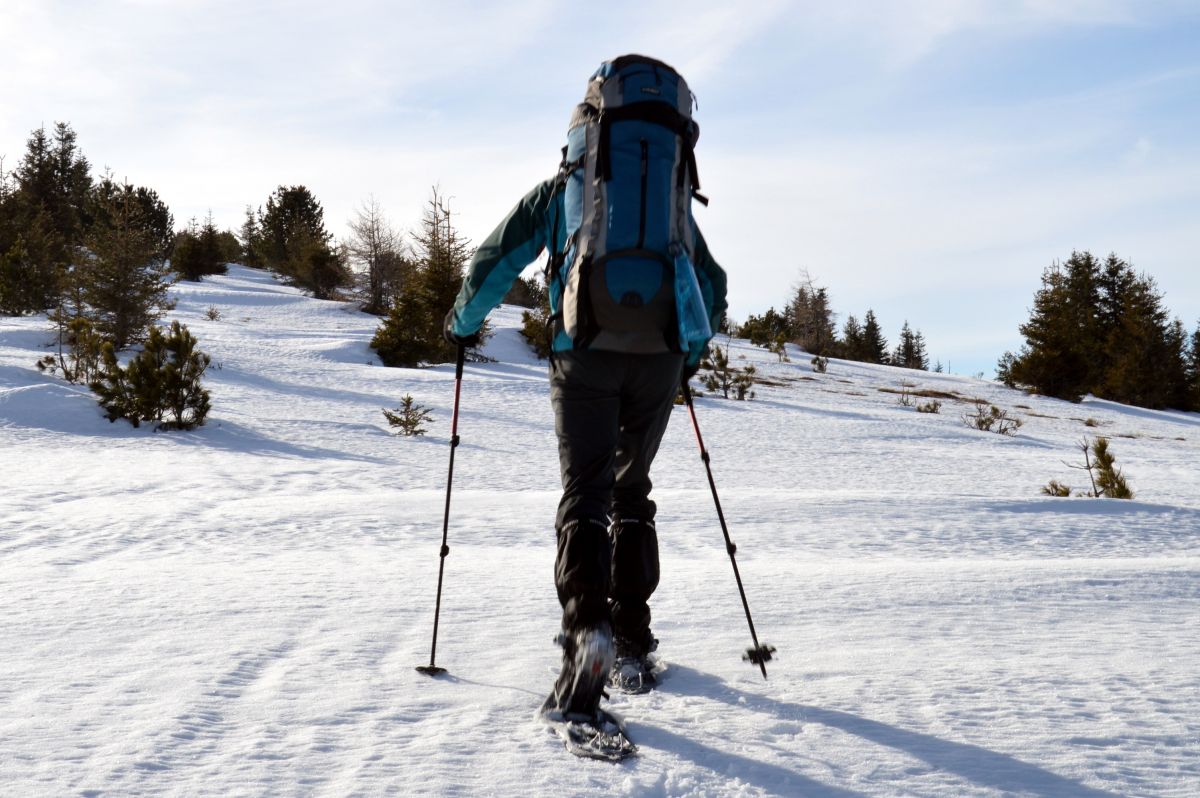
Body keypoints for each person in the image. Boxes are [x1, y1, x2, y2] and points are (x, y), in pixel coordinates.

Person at [443, 55, 727, 726]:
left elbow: (494, 258)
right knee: (633, 491)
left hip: (584, 350)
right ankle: (632, 635)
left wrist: (461, 324)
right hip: (655, 356)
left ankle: (587, 633)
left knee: (586, 492)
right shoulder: (670, 198)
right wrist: (684, 354)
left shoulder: (563, 191)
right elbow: (710, 283)